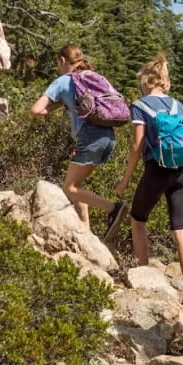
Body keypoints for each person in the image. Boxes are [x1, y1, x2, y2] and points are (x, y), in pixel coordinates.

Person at [114, 53, 183, 308]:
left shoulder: (140, 106)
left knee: (138, 219)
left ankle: (144, 275)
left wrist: (125, 180)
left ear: (146, 81)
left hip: (156, 171)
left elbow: (137, 145)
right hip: (181, 171)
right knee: (180, 229)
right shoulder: (178, 106)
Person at [30, 44, 126, 233]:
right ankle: (85, 232)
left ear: (63, 60)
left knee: (70, 188)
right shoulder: (94, 76)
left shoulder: (63, 81)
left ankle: (113, 208)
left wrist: (55, 104)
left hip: (89, 137)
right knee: (78, 187)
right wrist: (65, 103)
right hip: (108, 135)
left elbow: (36, 110)